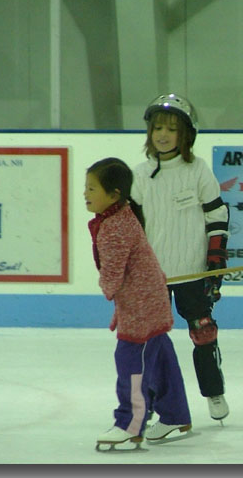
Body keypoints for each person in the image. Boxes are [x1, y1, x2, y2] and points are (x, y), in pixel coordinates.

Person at [131, 94, 231, 422]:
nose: (162, 134)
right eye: (157, 128)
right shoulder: (141, 176)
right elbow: (131, 228)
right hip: (154, 276)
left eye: (171, 129)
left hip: (192, 271)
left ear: (186, 134)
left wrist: (215, 262)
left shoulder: (198, 170)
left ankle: (214, 391)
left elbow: (217, 217)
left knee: (203, 332)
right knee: (151, 342)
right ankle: (153, 400)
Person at [86, 158, 192, 449]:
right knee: (159, 358)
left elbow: (113, 271)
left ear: (114, 194)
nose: (86, 193)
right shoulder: (121, 215)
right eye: (86, 187)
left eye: (92, 188)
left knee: (131, 360)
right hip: (150, 299)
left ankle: (130, 424)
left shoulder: (114, 227)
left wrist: (108, 290)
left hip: (141, 306)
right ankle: (174, 414)